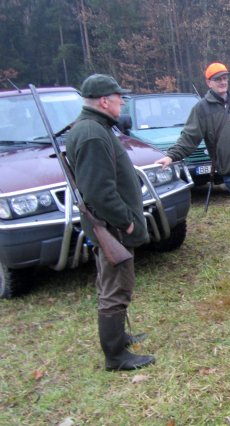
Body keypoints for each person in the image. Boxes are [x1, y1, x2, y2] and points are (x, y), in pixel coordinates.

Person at [66, 74, 155, 371]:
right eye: (119, 98)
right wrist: (126, 221)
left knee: (112, 283)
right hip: (112, 227)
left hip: (110, 226)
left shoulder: (95, 127)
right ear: (104, 101)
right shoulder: (92, 133)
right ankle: (116, 356)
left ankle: (120, 337)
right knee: (116, 289)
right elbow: (99, 191)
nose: (122, 103)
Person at [156, 62, 230, 254]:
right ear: (209, 83)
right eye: (217, 79)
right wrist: (171, 156)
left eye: (224, 77)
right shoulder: (202, 109)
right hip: (229, 168)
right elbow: (189, 138)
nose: (222, 82)